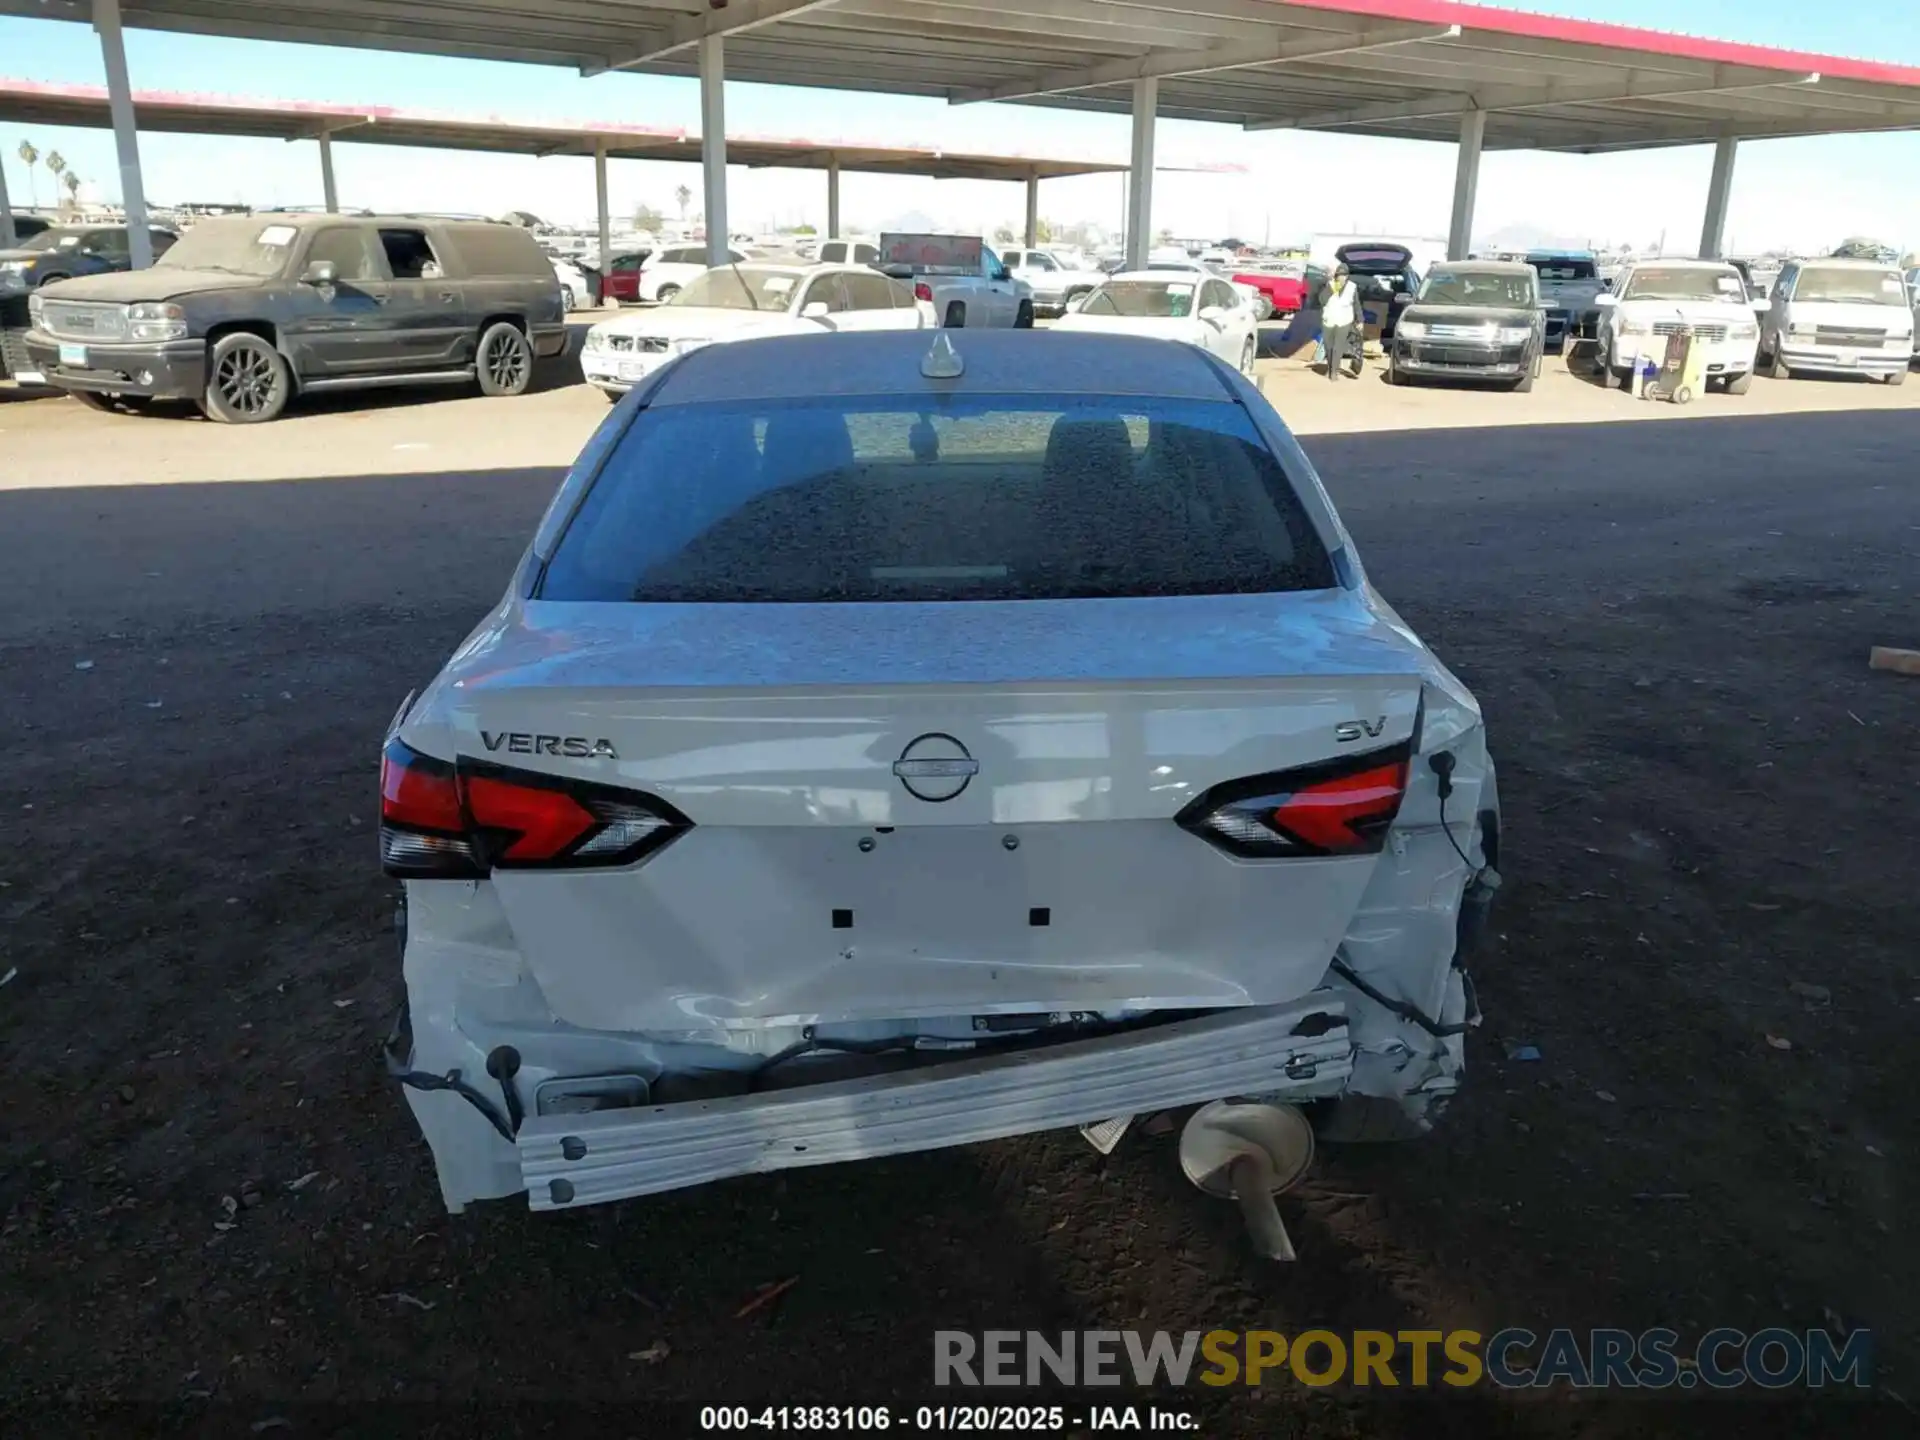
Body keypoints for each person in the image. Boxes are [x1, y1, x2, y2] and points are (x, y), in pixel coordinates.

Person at [1321, 263, 1363, 381]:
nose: (1342, 278)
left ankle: (1333, 372)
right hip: (1328, 320)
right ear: (1336, 276)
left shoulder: (1352, 287)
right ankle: (1330, 367)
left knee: (1338, 347)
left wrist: (1360, 320)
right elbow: (1321, 300)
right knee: (1328, 346)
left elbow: (1356, 305)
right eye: (1339, 275)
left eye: (1344, 275)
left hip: (1344, 320)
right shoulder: (1330, 285)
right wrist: (1331, 290)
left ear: (1347, 276)